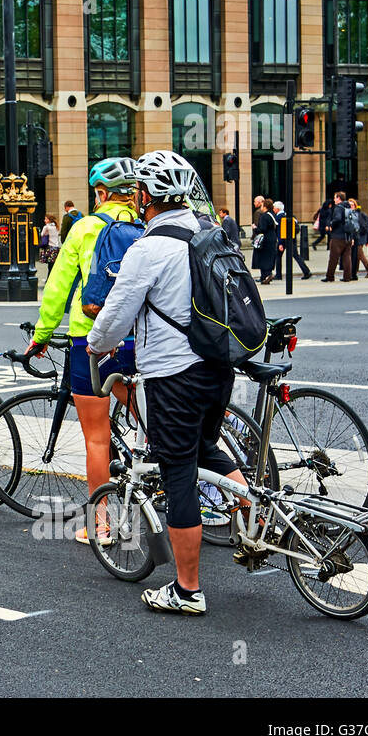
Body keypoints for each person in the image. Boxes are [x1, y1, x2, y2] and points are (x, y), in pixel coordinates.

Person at [87, 150, 251, 616]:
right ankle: (254, 521)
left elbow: (115, 316)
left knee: (178, 470)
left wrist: (95, 346)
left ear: (145, 196)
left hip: (173, 376)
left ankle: (187, 589)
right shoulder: (210, 233)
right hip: (219, 367)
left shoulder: (148, 248)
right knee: (205, 446)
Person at [26, 158, 140, 539]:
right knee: (152, 420)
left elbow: (58, 288)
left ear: (101, 194)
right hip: (138, 340)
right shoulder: (145, 228)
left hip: (90, 340)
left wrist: (42, 335)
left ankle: (101, 525)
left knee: (97, 437)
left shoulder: (85, 227)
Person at [271, 201, 312, 280]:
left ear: (277, 209)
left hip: (283, 240)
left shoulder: (279, 218)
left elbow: (280, 231)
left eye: (274, 208)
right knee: (296, 255)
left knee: (278, 256)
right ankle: (306, 271)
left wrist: (280, 243)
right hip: (292, 239)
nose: (273, 209)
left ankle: (278, 275)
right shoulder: (290, 215)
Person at [321, 192, 354, 282]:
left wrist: (331, 225)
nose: (334, 200)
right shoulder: (348, 207)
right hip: (347, 236)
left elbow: (338, 218)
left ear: (339, 198)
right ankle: (347, 277)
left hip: (338, 236)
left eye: (335, 198)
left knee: (333, 258)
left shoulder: (338, 208)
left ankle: (330, 276)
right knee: (347, 257)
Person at [251, 198, 279, 284]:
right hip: (272, 238)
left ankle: (266, 275)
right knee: (269, 257)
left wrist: (255, 228)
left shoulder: (264, 216)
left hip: (265, 240)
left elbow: (262, 229)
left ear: (265, 206)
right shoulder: (272, 215)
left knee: (262, 258)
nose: (261, 207)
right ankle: (266, 276)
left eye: (262, 205)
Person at [347, 198, 368, 280]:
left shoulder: (359, 215)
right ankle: (354, 273)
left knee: (359, 254)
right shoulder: (352, 214)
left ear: (355, 206)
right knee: (357, 255)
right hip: (357, 237)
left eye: (352, 205)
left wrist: (367, 240)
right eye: (349, 205)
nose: (350, 207)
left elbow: (365, 228)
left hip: (359, 237)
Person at [38, 214, 60, 282]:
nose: (44, 220)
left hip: (50, 248)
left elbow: (42, 234)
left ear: (49, 220)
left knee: (50, 265)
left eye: (46, 219)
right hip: (56, 248)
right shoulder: (56, 226)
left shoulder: (46, 227)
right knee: (53, 265)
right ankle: (51, 279)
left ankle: (49, 280)